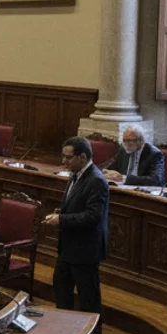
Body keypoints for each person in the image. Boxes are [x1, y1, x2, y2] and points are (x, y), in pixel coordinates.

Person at [45, 136, 108, 321]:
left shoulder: (96, 180)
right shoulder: (75, 174)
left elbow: (93, 216)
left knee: (88, 297)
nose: (63, 161)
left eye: (68, 157)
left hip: (86, 249)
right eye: (63, 156)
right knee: (61, 287)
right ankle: (65, 329)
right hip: (69, 247)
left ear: (82, 157)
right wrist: (61, 212)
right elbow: (77, 205)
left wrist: (62, 219)